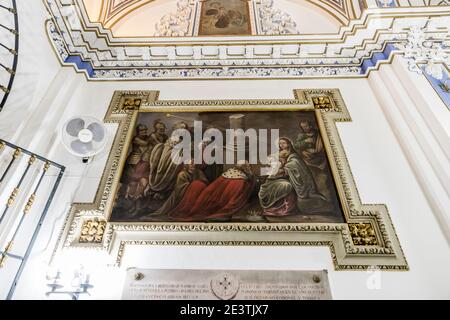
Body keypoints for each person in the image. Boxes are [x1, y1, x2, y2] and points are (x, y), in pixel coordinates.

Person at [259, 137, 325, 216]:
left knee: (287, 186)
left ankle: (286, 209)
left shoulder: (294, 156)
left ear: (289, 144)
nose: (281, 145)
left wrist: (285, 168)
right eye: (280, 143)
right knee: (278, 185)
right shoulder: (278, 154)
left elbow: (295, 165)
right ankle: (273, 209)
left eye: (284, 143)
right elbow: (271, 164)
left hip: (287, 178)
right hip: (275, 178)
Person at [173, 160, 255, 221]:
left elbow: (210, 186)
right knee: (197, 185)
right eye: (191, 164)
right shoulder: (241, 182)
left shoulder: (230, 175)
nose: (193, 165)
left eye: (194, 163)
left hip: (206, 196)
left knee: (198, 185)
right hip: (207, 199)